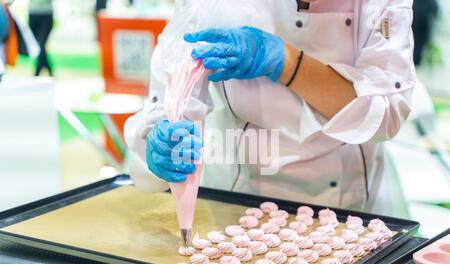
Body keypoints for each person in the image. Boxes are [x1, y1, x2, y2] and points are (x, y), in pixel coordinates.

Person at [125, 0, 416, 214]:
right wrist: (161, 140)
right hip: (240, 203)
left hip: (352, 205)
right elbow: (174, 96)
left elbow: (387, 112)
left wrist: (284, 61)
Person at [28, 0, 53, 76]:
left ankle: (37, 72)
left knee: (40, 44)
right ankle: (49, 70)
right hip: (33, 13)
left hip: (46, 14)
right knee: (37, 45)